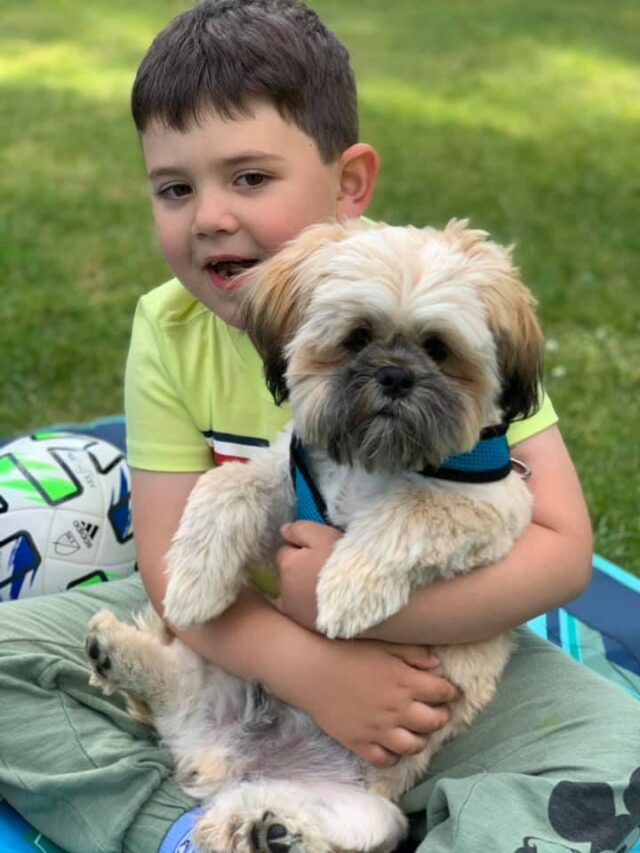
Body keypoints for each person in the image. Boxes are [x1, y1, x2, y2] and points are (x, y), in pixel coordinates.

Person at [1, 2, 638, 852]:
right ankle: (197, 831)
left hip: (434, 674)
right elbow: (170, 574)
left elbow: (559, 549)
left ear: (348, 183)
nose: (212, 216)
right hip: (237, 643)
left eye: (250, 178)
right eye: (175, 188)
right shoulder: (168, 326)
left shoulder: (452, 289)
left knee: (615, 746)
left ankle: (326, 822)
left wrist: (378, 638)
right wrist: (314, 668)